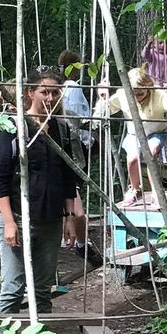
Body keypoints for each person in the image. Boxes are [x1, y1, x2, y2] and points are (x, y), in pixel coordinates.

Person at [0, 67, 84, 334]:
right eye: (45, 91)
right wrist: (9, 221)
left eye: (55, 92)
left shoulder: (60, 129)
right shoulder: (14, 126)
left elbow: (67, 178)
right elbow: (0, 180)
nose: (50, 97)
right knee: (12, 288)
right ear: (30, 92)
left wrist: (69, 217)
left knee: (43, 291)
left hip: (50, 220)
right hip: (18, 218)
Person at [96, 67, 167, 208]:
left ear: (148, 87)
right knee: (132, 159)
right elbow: (104, 112)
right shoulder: (122, 94)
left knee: (150, 153)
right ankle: (135, 189)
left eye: (141, 93)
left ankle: (157, 192)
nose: (137, 97)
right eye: (133, 94)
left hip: (156, 133)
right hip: (134, 135)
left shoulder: (159, 94)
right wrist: (103, 97)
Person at [57, 50, 92, 252]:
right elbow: (78, 118)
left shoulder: (60, 87)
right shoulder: (73, 87)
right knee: (73, 190)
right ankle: (80, 241)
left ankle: (67, 235)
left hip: (63, 142)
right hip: (76, 144)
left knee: (66, 191)